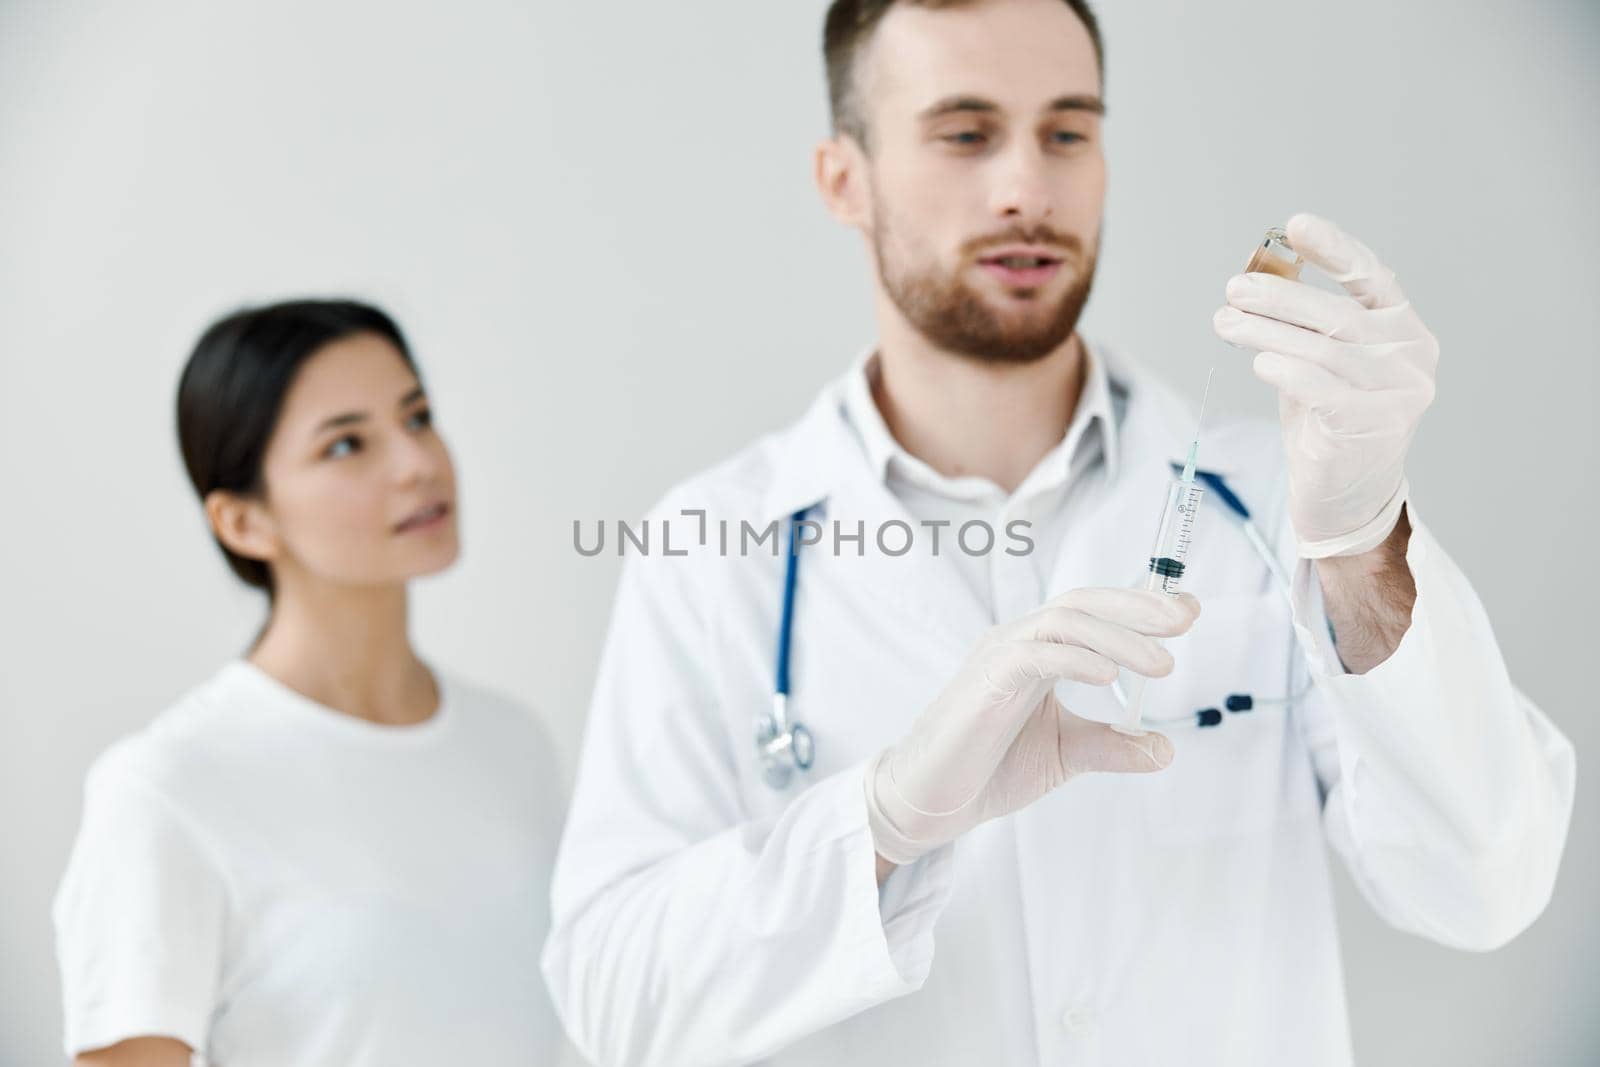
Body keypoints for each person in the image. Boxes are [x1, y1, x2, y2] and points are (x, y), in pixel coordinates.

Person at [539, 1, 1576, 1065]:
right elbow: (620, 1002)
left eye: (1067, 131)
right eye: (964, 132)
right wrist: (885, 824)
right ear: (843, 179)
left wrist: (1361, 539)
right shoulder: (714, 546)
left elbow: (1484, 882)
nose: (1026, 187)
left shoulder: (1276, 500)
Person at [53, 300, 564, 1066]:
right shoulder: (166, 790)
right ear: (243, 522)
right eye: (348, 444)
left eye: (417, 416)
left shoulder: (514, 745)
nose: (417, 461)